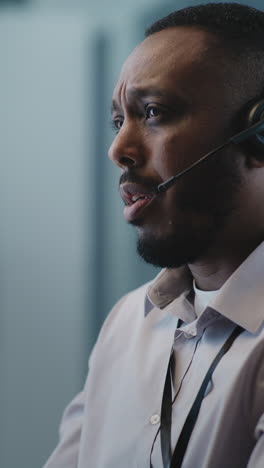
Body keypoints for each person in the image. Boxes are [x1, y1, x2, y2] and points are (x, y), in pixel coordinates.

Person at [44, 3, 264, 467]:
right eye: (118, 121)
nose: (118, 149)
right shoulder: (129, 322)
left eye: (153, 112)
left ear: (257, 136)